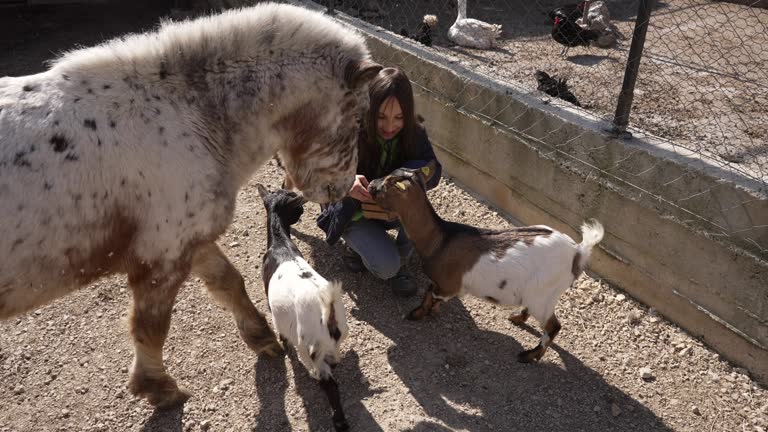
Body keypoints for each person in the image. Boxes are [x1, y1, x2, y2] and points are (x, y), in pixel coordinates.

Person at [316, 67, 442, 298]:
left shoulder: (415, 131)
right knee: (386, 267)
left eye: (399, 118)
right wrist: (345, 182)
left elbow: (433, 169)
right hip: (352, 211)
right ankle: (361, 249)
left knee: (418, 205)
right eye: (381, 117)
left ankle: (398, 259)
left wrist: (409, 180)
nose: (390, 126)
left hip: (389, 211)